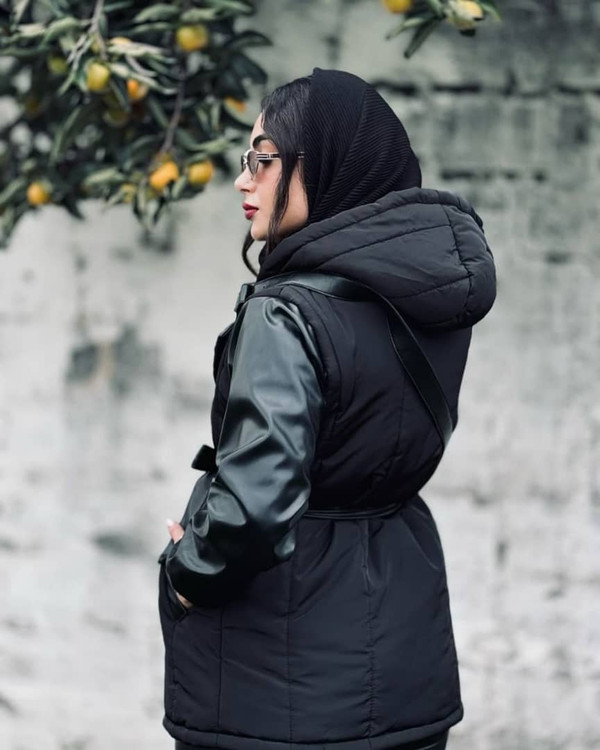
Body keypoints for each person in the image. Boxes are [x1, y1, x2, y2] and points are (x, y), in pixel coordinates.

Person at [157, 67, 496, 750]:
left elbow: (256, 502)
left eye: (262, 159)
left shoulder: (286, 312)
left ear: (327, 164)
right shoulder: (427, 296)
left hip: (279, 679)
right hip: (407, 659)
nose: (242, 180)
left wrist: (187, 572)